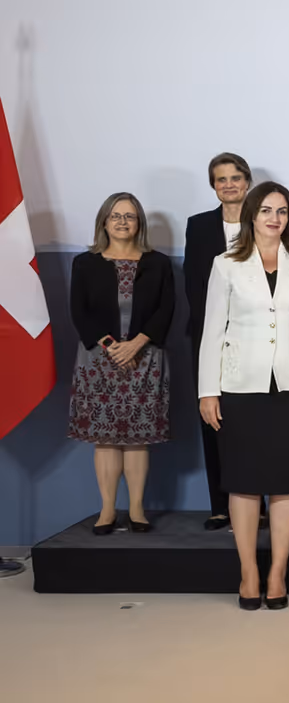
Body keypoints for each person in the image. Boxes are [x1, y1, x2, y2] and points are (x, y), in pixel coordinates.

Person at [199, 182, 289, 610]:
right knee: (245, 483)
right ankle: (248, 571)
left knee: (286, 483)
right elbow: (212, 330)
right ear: (251, 214)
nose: (275, 218)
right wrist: (207, 390)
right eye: (267, 210)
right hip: (239, 387)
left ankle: (278, 572)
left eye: (283, 211)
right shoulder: (226, 264)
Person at [67, 193, 174, 535]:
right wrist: (113, 347)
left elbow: (166, 309)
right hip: (99, 360)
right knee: (106, 438)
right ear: (104, 222)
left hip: (146, 358)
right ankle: (108, 510)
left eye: (130, 216)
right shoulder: (85, 263)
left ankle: (138, 510)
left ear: (139, 222)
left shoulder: (158, 263)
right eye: (116, 216)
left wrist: (137, 344)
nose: (123, 222)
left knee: (137, 439)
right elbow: (78, 310)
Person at [185, 153, 254, 531]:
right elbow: (193, 282)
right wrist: (213, 329)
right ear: (214, 185)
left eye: (235, 177)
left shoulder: (266, 219)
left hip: (256, 337)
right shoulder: (198, 226)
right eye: (220, 179)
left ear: (247, 181)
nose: (228, 185)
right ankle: (219, 504)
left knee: (252, 423)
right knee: (213, 418)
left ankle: (254, 502)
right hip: (210, 335)